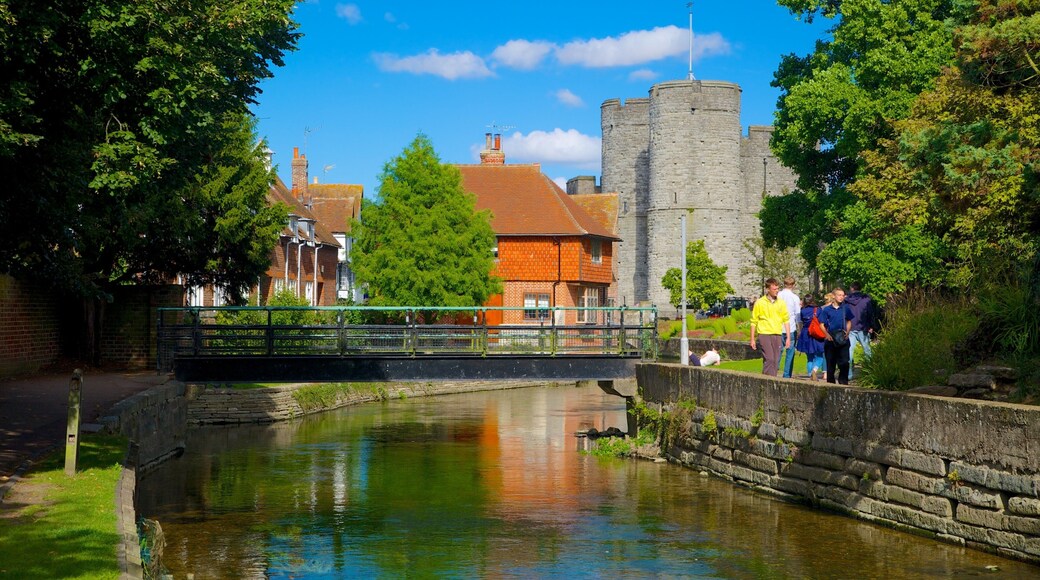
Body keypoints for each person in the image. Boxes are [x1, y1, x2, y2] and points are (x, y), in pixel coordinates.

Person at [749, 278, 791, 376]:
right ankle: (770, 381)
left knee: (775, 360)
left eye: (777, 289)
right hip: (764, 334)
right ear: (768, 289)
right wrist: (752, 339)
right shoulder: (759, 302)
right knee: (770, 358)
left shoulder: (781, 302)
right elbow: (753, 321)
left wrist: (788, 337)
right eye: (774, 289)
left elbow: (786, 320)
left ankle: (768, 379)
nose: (777, 291)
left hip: (777, 334)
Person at [818, 287, 853, 385]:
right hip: (831, 339)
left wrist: (848, 331)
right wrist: (827, 334)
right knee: (831, 363)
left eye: (843, 295)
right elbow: (821, 324)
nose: (841, 297)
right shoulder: (827, 310)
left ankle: (843, 382)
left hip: (842, 337)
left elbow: (849, 321)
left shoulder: (845, 308)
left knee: (844, 362)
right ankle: (830, 384)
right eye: (839, 295)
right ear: (834, 296)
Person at [844, 282, 876, 380]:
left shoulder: (847, 300)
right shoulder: (866, 300)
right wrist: (872, 325)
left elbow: (844, 314)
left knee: (849, 350)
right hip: (863, 326)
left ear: (852, 288)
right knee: (867, 350)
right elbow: (870, 313)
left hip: (850, 327)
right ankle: (870, 371)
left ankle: (848, 373)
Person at [796, 294, 825, 380]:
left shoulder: (803, 310)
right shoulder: (818, 310)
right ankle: (814, 370)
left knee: (809, 357)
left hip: (805, 333)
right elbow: (822, 322)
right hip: (816, 334)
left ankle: (810, 374)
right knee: (820, 355)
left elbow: (801, 322)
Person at [777, 276, 801, 378]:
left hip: (778, 327)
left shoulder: (778, 295)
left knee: (777, 352)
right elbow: (798, 315)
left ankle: (774, 371)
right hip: (790, 327)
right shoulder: (795, 297)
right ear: (793, 285)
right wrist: (800, 329)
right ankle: (786, 375)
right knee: (790, 353)